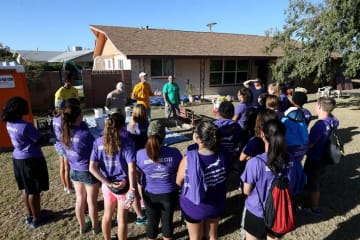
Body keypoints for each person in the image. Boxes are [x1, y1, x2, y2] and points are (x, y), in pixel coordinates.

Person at [241, 119, 304, 240]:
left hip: (256, 212)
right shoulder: (292, 160)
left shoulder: (255, 162)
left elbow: (246, 191)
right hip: (280, 211)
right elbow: (295, 186)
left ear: (263, 135)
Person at [176, 120, 230, 240]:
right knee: (212, 235)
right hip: (216, 204)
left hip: (193, 206)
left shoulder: (188, 159)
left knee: (195, 237)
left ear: (199, 139)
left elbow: (178, 182)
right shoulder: (224, 153)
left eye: (195, 132)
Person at [1, 97, 49, 229]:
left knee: (26, 189)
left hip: (18, 159)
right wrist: (46, 135)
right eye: (25, 106)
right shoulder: (25, 126)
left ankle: (30, 214)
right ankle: (37, 218)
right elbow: (41, 141)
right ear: (18, 109)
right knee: (34, 190)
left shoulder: (10, 123)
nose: (28, 107)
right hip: (31, 160)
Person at [89, 112, 137, 240]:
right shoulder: (126, 142)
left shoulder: (98, 142)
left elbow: (92, 168)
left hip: (107, 187)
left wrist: (107, 183)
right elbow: (132, 169)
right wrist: (132, 189)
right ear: (122, 127)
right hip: (123, 187)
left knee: (107, 215)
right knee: (122, 220)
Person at [136, 120, 182, 240]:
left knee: (152, 220)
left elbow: (137, 172)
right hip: (169, 193)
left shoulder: (140, 154)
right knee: (167, 221)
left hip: (149, 193)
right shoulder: (174, 153)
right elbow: (180, 171)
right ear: (164, 135)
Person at [61, 103, 100, 234]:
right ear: (78, 117)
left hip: (74, 170)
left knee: (79, 199)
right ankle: (95, 227)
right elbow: (95, 153)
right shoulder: (84, 135)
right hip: (86, 171)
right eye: (81, 113)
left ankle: (82, 226)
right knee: (91, 201)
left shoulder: (65, 133)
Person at [303, 97, 338, 213]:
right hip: (324, 156)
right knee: (316, 178)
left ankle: (313, 207)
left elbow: (310, 144)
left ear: (319, 106)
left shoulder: (319, 126)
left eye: (316, 104)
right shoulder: (333, 120)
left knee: (313, 182)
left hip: (315, 158)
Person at [52, 99, 74, 194]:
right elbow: (67, 133)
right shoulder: (63, 119)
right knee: (67, 167)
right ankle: (69, 187)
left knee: (62, 166)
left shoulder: (55, 118)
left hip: (58, 145)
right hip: (64, 145)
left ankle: (65, 186)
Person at [214, 101, 242, 169]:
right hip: (231, 154)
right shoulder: (236, 126)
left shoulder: (214, 124)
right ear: (233, 113)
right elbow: (238, 141)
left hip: (216, 154)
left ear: (219, 112)